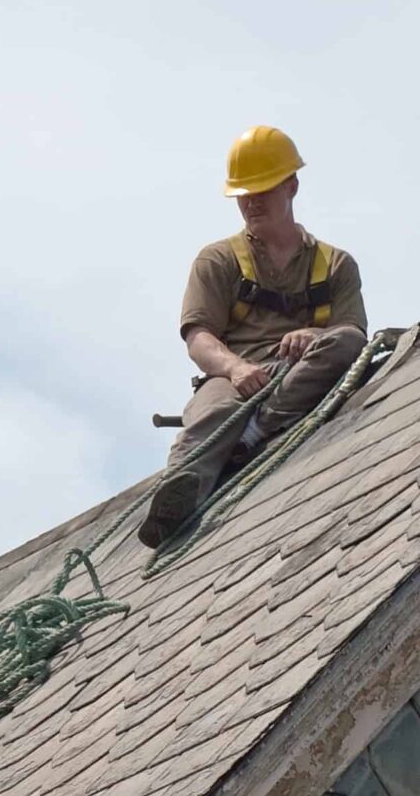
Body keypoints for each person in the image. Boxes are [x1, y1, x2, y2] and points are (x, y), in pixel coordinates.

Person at [143, 125, 368, 548]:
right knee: (212, 414)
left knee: (347, 345)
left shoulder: (336, 265)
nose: (252, 201)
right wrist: (236, 367)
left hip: (301, 370)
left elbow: (352, 332)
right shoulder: (220, 259)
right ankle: (178, 496)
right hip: (234, 377)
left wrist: (311, 333)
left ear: (292, 186)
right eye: (244, 193)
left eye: (263, 189)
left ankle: (252, 432)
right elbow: (199, 338)